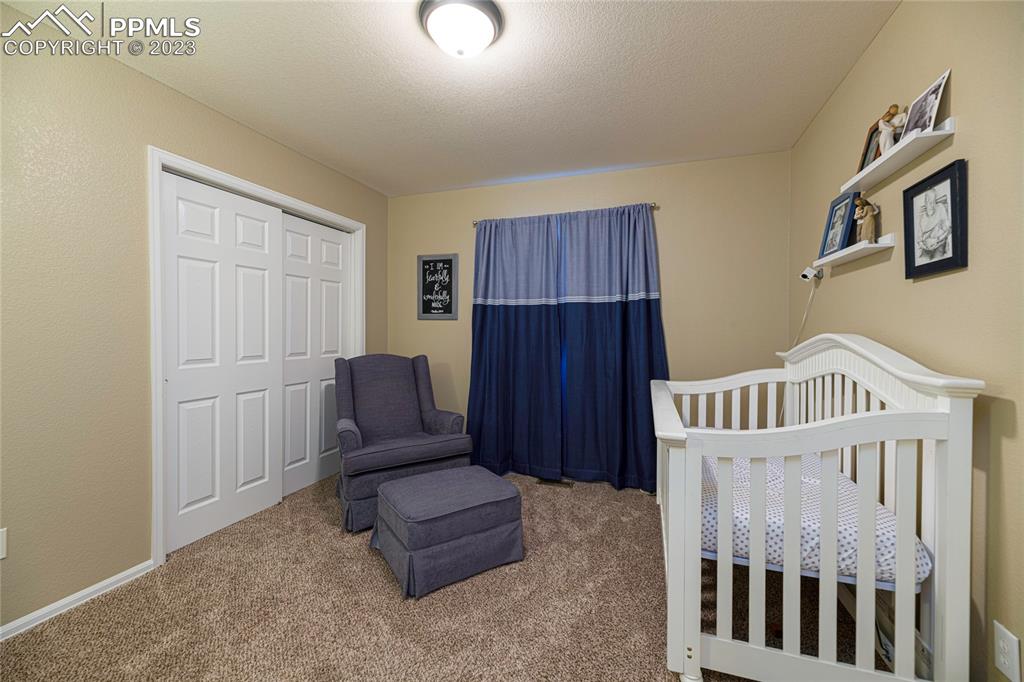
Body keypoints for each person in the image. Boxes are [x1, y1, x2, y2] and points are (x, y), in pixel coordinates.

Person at [917, 187, 952, 261]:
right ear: (925, 202)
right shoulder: (922, 217)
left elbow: (948, 229)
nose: (931, 205)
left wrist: (936, 240)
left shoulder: (940, 208)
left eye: (933, 201)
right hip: (925, 247)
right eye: (929, 201)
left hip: (939, 244)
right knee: (922, 260)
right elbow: (919, 239)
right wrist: (924, 246)